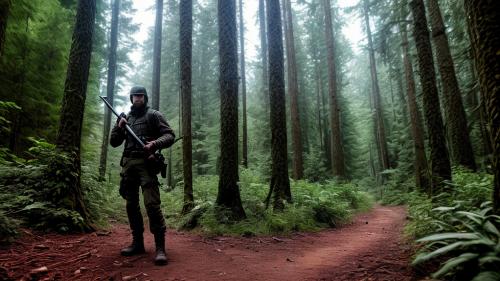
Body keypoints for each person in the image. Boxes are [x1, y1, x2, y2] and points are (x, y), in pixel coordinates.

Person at [110, 86, 175, 266]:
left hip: (147, 165)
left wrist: (154, 144)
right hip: (129, 165)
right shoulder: (126, 118)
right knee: (131, 205)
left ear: (145, 98)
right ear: (131, 98)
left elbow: (169, 135)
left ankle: (160, 248)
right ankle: (137, 243)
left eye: (140, 95)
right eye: (134, 96)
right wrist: (119, 126)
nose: (137, 98)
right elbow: (114, 142)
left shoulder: (154, 115)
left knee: (152, 205)